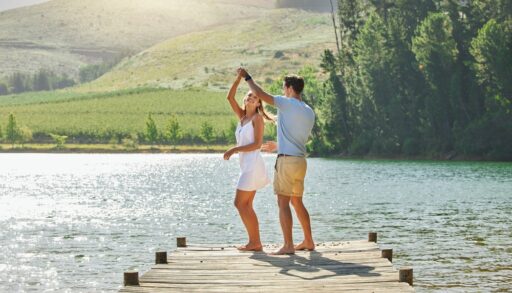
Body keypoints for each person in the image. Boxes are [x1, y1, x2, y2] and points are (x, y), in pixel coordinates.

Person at [238, 67, 315, 255]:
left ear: (289, 88)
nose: (282, 91)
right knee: (297, 202)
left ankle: (288, 245)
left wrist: (247, 77)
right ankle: (308, 240)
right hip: (299, 161)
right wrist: (279, 146)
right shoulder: (308, 111)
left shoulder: (287, 103)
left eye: (283, 88)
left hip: (287, 162)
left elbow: (259, 94)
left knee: (283, 202)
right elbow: (296, 136)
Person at [223, 70, 273, 251]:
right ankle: (254, 242)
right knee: (246, 204)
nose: (251, 98)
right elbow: (229, 97)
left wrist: (235, 148)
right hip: (246, 165)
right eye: (248, 96)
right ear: (245, 100)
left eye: (254, 97)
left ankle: (255, 242)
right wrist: (238, 78)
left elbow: (257, 144)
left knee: (239, 203)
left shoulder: (257, 118)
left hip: (253, 165)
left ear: (259, 102)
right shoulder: (242, 117)